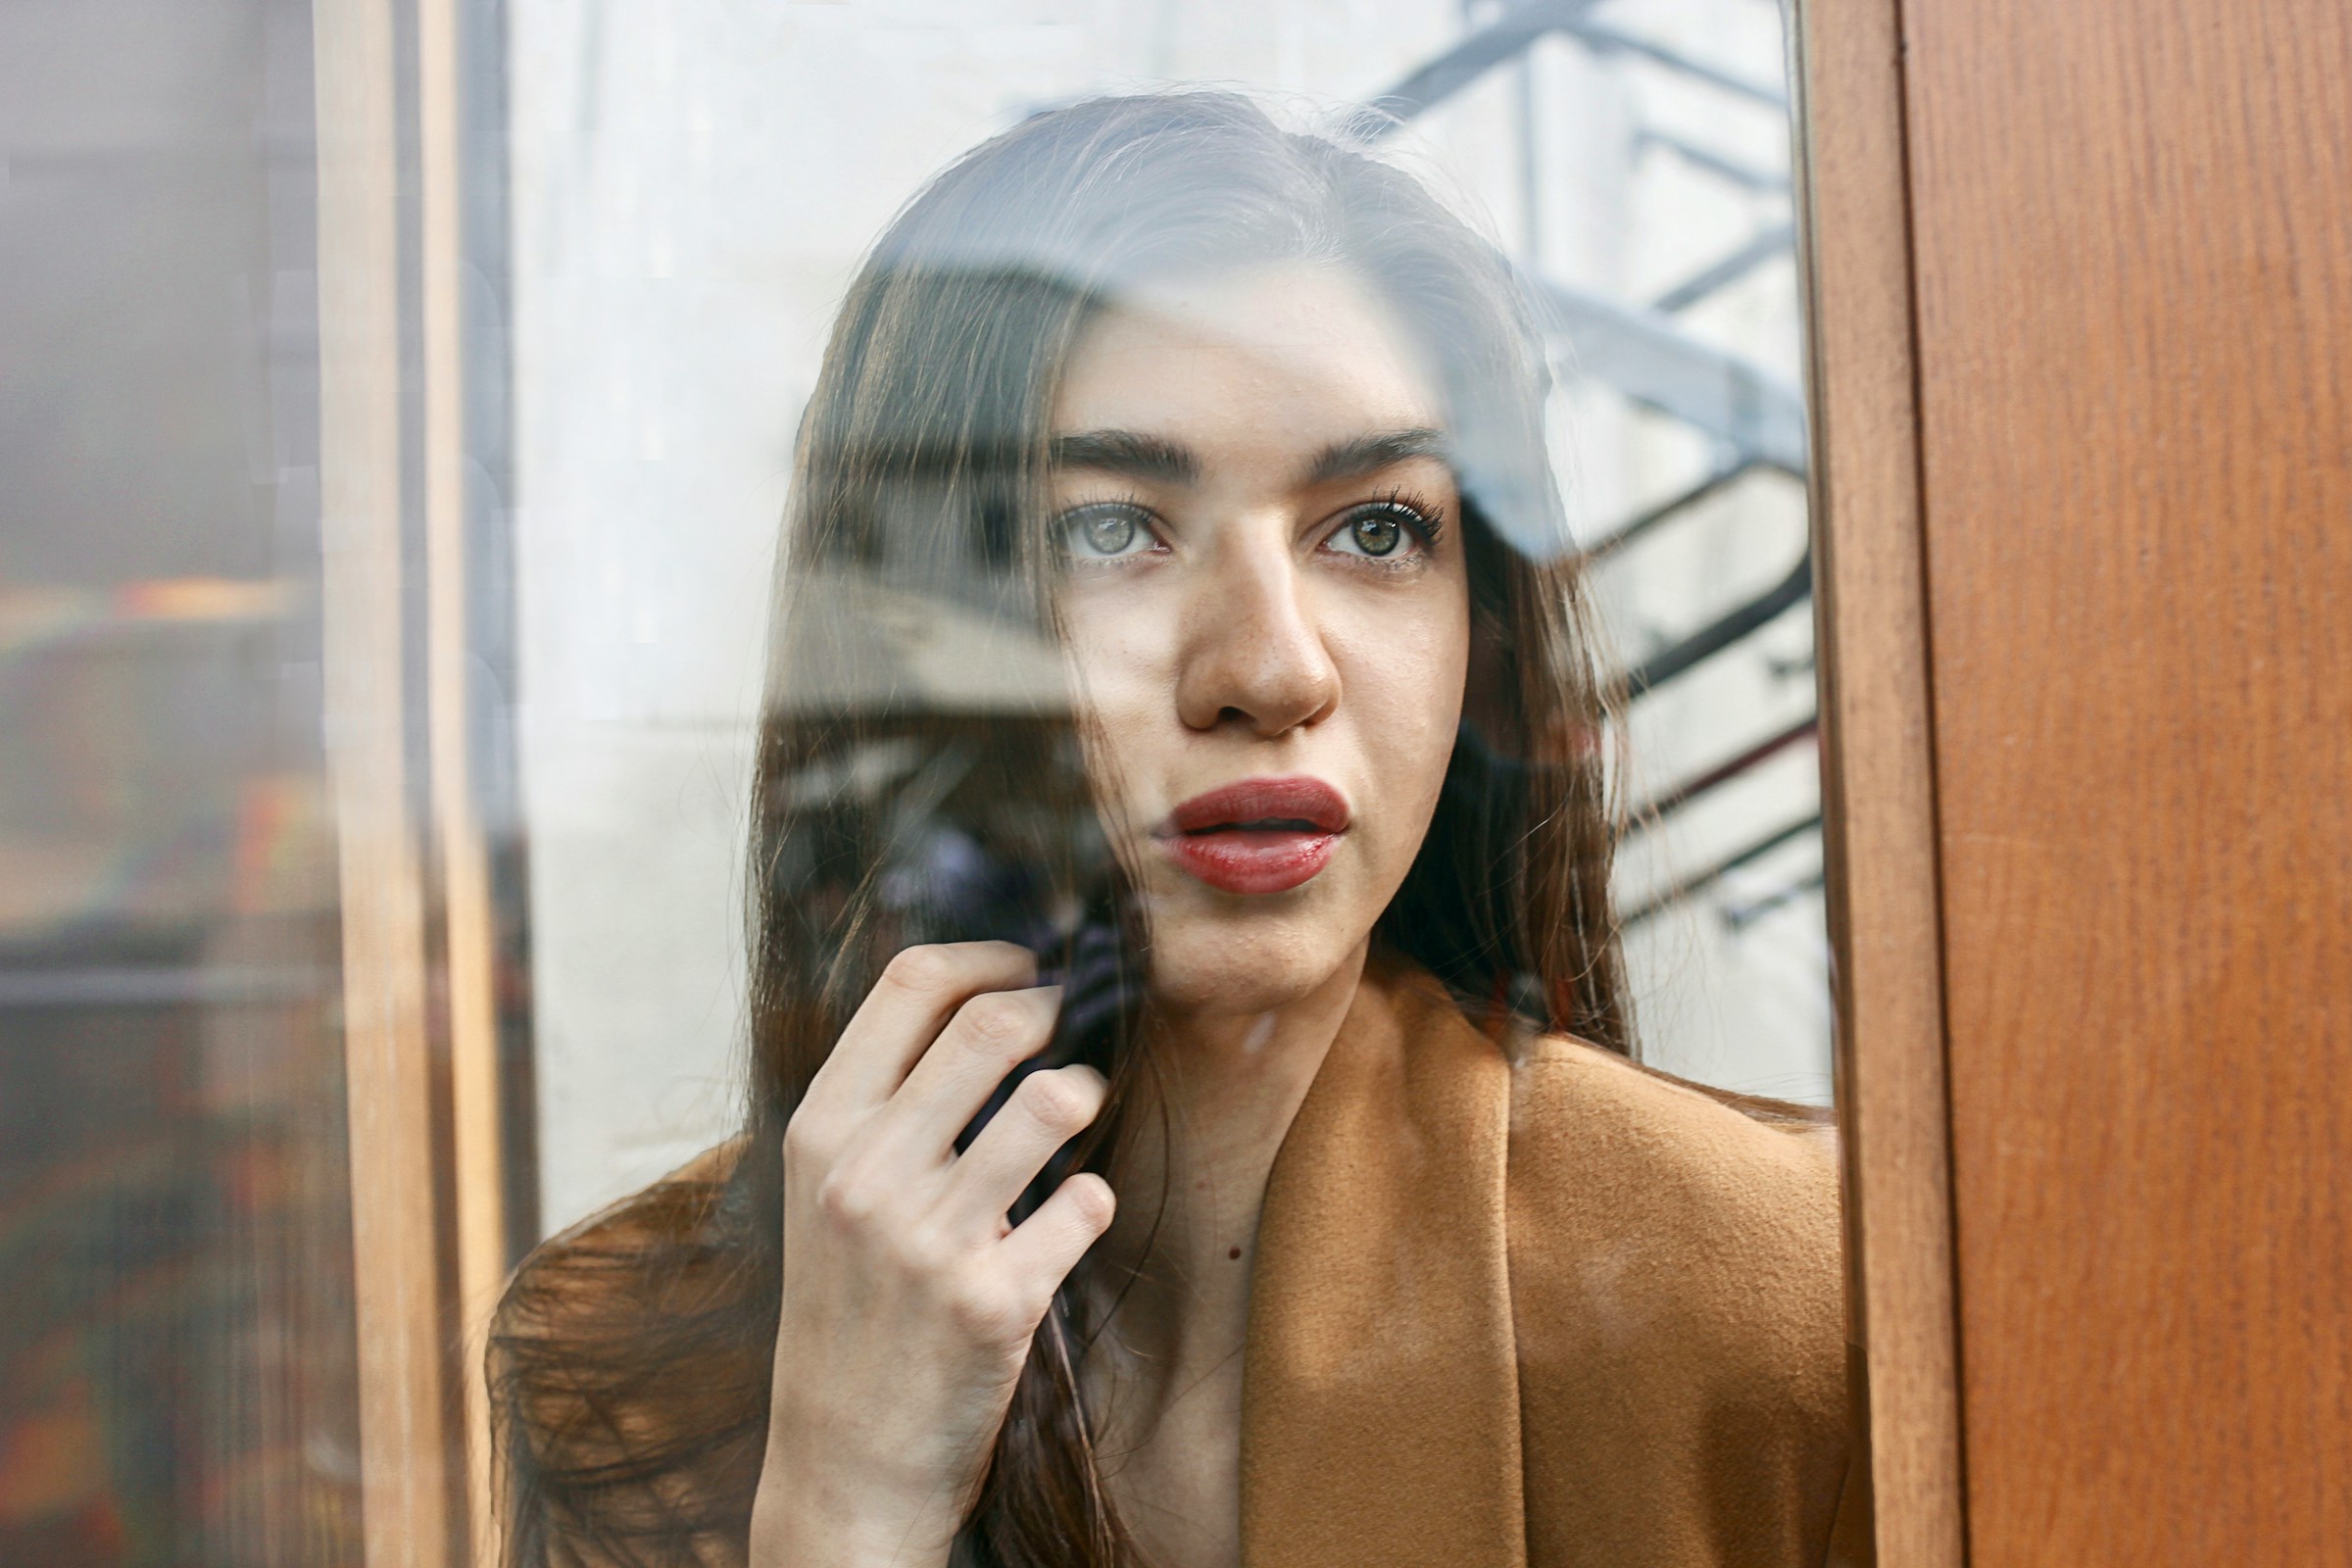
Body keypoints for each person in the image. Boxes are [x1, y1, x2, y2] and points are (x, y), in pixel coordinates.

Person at [490, 91, 1866, 1568]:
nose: (1274, 671)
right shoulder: (630, 1367)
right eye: (1110, 527)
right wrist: (840, 1508)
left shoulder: (1787, 1316)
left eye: (1379, 527)